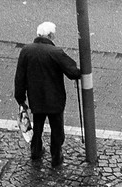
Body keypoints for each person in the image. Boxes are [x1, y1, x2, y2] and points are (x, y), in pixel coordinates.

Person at [14, 22, 81, 167]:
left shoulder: (26, 51)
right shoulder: (55, 52)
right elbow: (72, 72)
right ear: (50, 35)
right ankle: (56, 156)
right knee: (57, 129)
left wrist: (20, 99)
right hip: (54, 99)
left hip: (35, 98)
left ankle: (36, 151)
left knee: (37, 126)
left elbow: (20, 77)